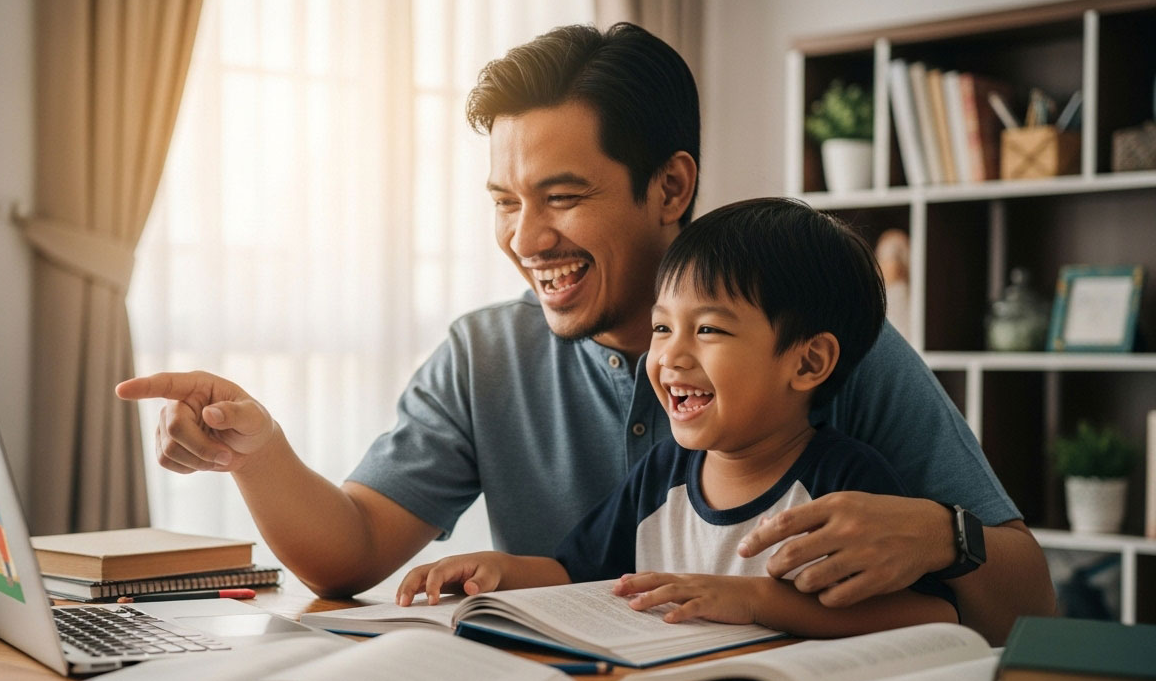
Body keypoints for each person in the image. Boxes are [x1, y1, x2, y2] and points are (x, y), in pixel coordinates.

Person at [115, 23, 1052, 644]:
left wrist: (945, 535)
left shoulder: (826, 341)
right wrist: (258, 451)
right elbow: (350, 553)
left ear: (671, 188)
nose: (526, 240)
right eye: (506, 202)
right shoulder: (484, 354)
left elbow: (1026, 604)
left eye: (562, 197)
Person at [394, 198, 957, 637]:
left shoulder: (846, 483)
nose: (669, 357)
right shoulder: (663, 475)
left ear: (808, 361)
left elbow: (929, 613)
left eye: (708, 329)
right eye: (663, 328)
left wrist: (758, 601)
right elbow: (572, 572)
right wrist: (495, 572)